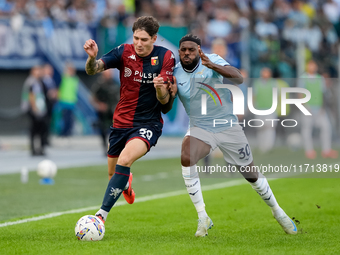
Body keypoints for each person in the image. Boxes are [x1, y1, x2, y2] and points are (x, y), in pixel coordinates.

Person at [169, 34, 297, 237]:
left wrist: (213, 65)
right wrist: (165, 93)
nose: (186, 53)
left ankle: (277, 211)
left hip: (227, 125)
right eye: (183, 49)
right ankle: (203, 216)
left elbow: (238, 77)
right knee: (187, 156)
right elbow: (166, 105)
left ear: (199, 50)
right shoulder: (174, 72)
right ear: (179, 50)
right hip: (200, 127)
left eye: (191, 50)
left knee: (251, 175)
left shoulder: (212, 60)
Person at [83, 16, 175, 223]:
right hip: (120, 123)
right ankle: (125, 183)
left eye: (144, 39)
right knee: (112, 175)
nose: (139, 44)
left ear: (154, 38)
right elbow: (93, 69)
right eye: (136, 38)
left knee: (124, 161)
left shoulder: (165, 56)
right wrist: (91, 58)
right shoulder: (123, 51)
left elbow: (165, 101)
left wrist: (160, 90)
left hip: (148, 123)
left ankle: (100, 217)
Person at [299, 60, 338, 159]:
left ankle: (326, 150)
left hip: (319, 109)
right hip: (307, 108)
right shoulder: (303, 78)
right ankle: (309, 151)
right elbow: (300, 93)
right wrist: (304, 106)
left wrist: (322, 107)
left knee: (326, 127)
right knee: (307, 130)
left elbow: (322, 93)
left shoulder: (320, 78)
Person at [90, 69, 120, 155]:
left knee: (116, 129)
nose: (110, 75)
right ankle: (105, 147)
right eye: (108, 74)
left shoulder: (115, 83)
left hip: (114, 110)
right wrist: (99, 105)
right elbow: (92, 97)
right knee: (103, 129)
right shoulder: (99, 84)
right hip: (103, 112)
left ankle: (115, 147)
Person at [21, 65, 48, 156]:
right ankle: (34, 149)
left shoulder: (39, 81)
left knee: (40, 129)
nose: (39, 72)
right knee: (34, 129)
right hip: (33, 109)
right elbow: (31, 96)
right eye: (37, 71)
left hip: (39, 109)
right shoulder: (31, 81)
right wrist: (35, 109)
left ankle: (39, 148)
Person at [253, 67, 278, 153]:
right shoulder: (257, 83)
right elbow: (254, 96)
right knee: (260, 128)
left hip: (270, 109)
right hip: (259, 108)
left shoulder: (273, 83)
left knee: (270, 128)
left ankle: (269, 145)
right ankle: (261, 145)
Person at [58, 62, 79, 137]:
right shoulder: (64, 78)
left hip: (72, 102)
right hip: (64, 101)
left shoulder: (75, 79)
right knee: (65, 118)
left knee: (70, 119)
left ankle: (68, 132)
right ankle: (63, 132)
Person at [41, 63, 58, 145]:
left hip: (51, 104)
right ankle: (43, 139)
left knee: (49, 122)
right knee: (44, 122)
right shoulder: (43, 80)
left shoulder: (51, 80)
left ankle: (47, 138)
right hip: (45, 104)